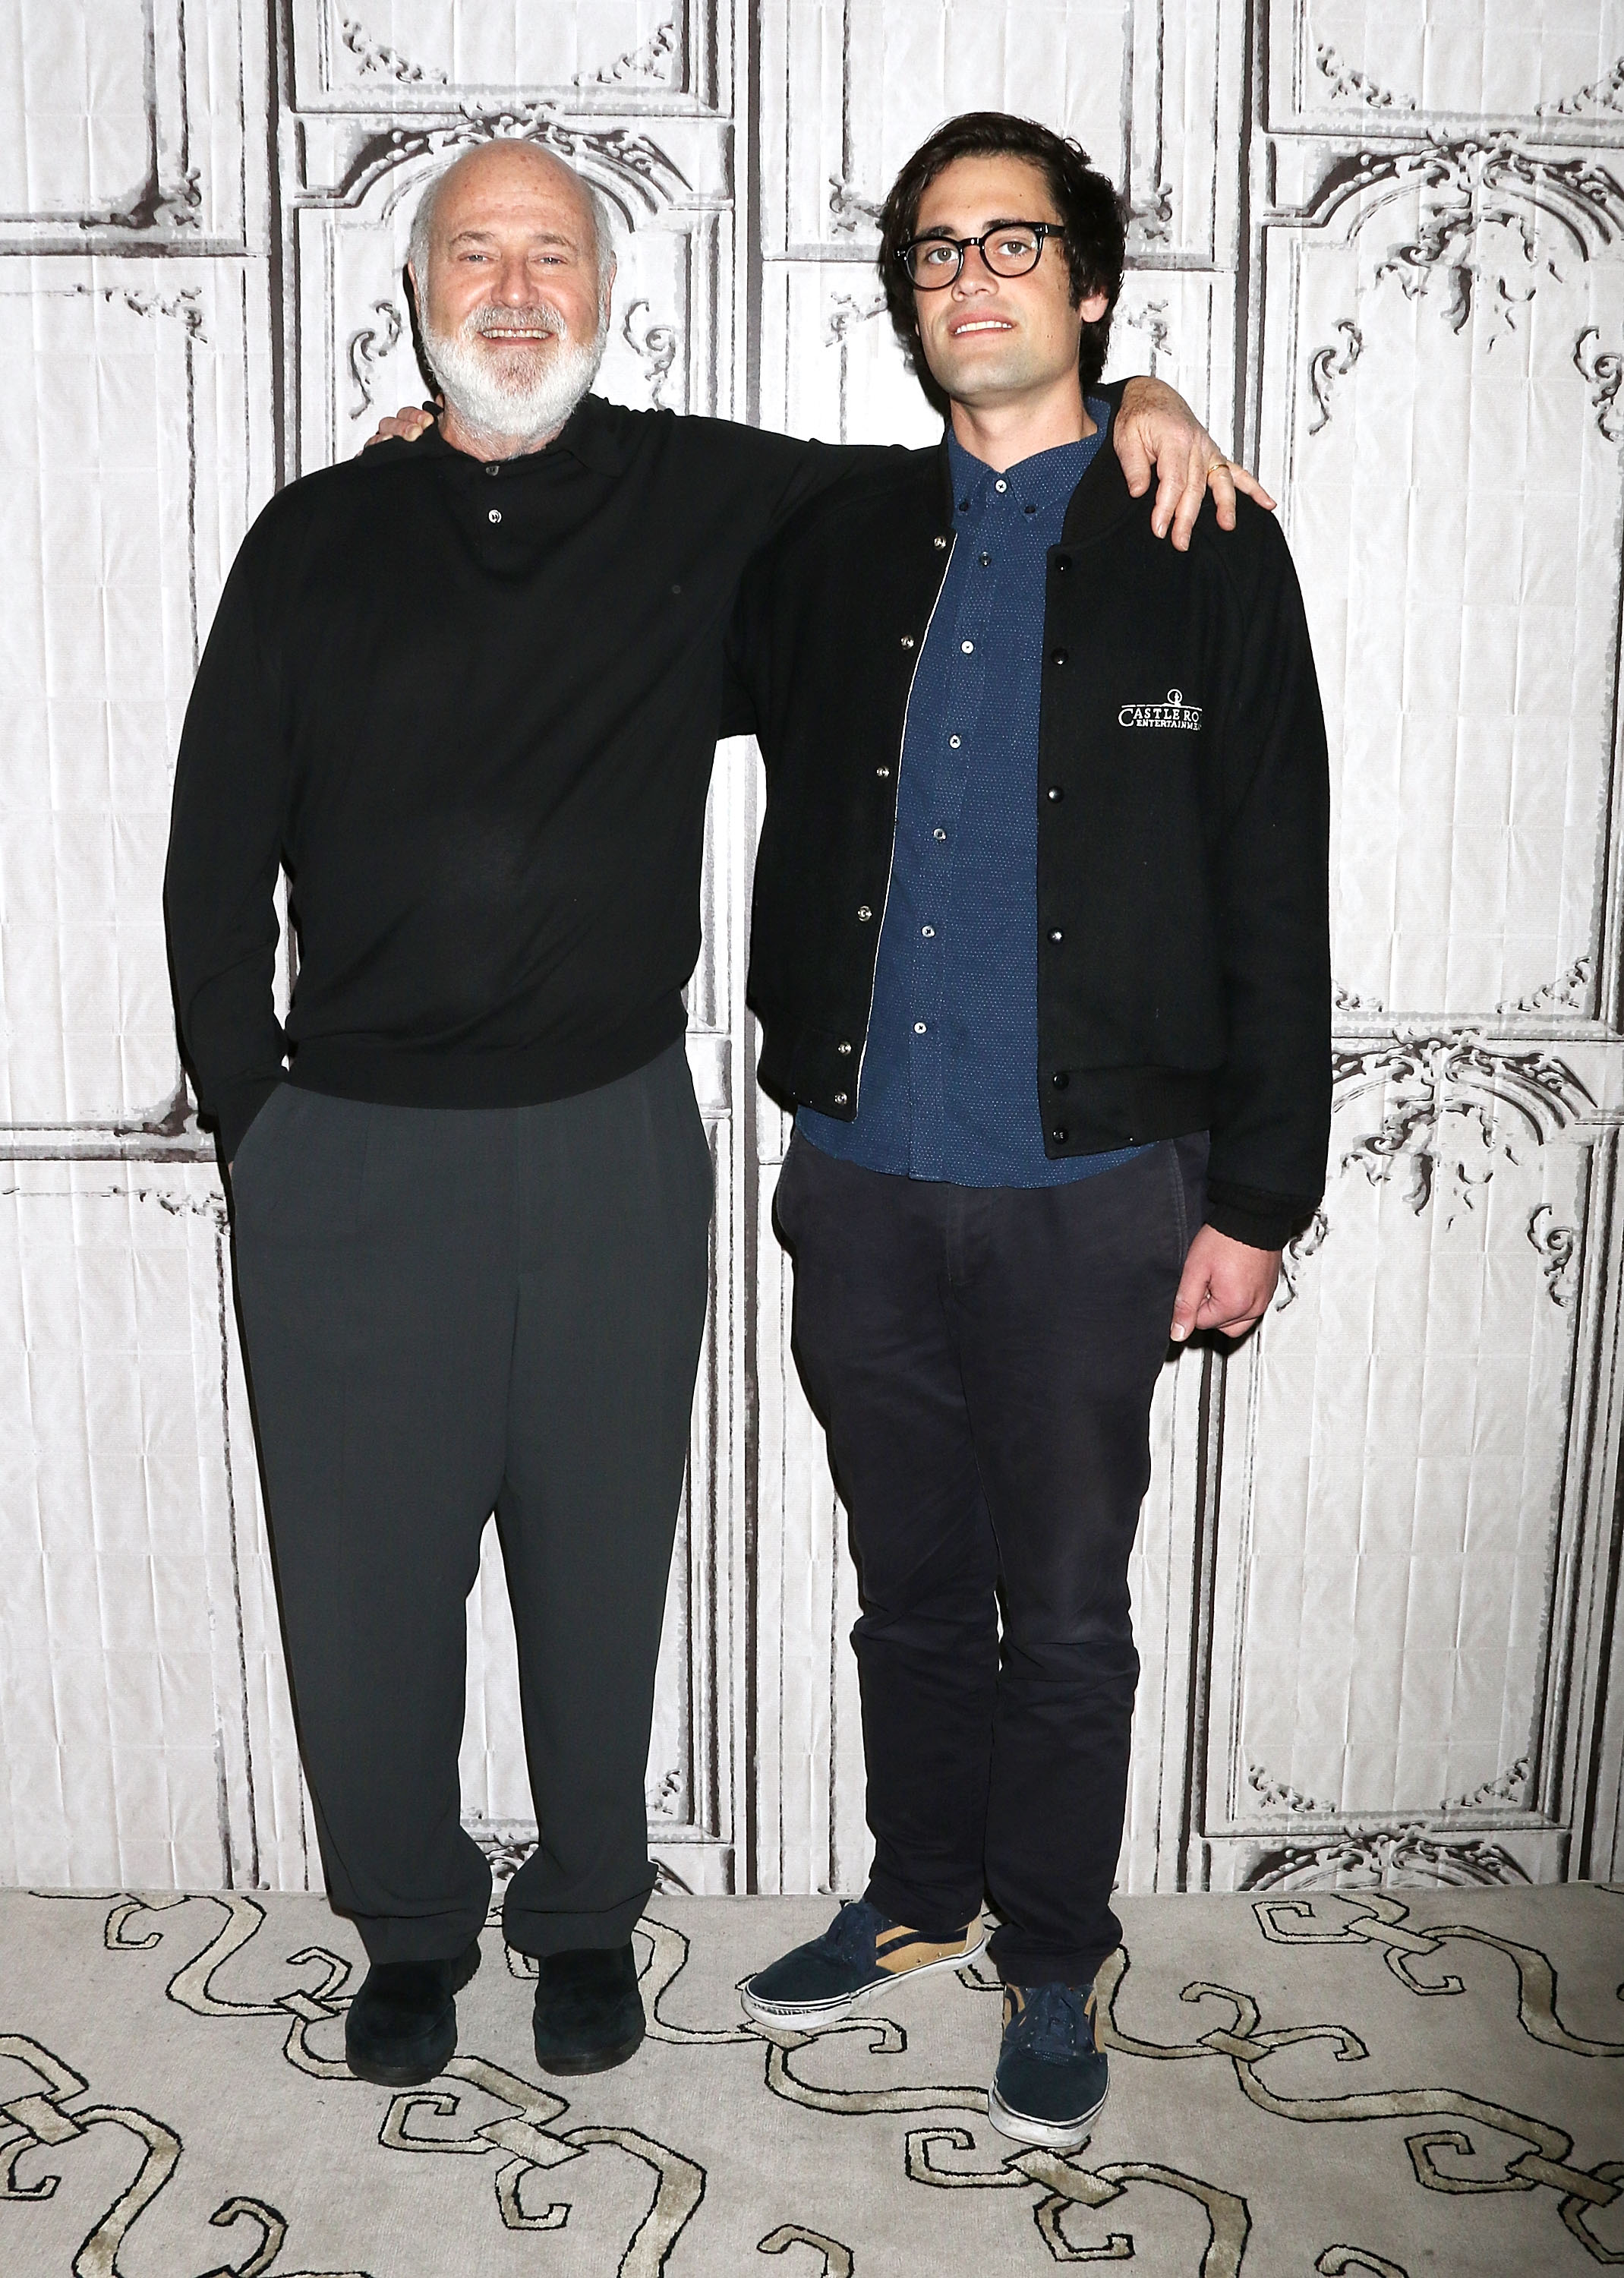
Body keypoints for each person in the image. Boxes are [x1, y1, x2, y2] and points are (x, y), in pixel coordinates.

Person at [164, 131, 1262, 2093]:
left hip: (607, 1137)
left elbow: (979, 448)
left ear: (608, 293)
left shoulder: (714, 499)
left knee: (600, 1569)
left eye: (552, 255)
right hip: (347, 1145)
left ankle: (586, 1914)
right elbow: (207, 857)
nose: (514, 291)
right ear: (414, 297)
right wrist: (261, 1125)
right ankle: (407, 1928)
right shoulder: (313, 532)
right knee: (363, 1588)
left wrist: (1148, 396)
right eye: (472, 256)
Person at [727, 112, 1329, 2152]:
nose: (969, 275)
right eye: (930, 251)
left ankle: (1053, 1957)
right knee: (907, 1578)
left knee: (1064, 1607)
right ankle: (916, 1895)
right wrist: (438, 463)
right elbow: (606, 577)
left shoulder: (1208, 546)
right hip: (866, 1177)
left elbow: (1275, 878)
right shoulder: (830, 543)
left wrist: (1260, 1193)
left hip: (1098, 1193)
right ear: (906, 304)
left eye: (1014, 242)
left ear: (1087, 285)